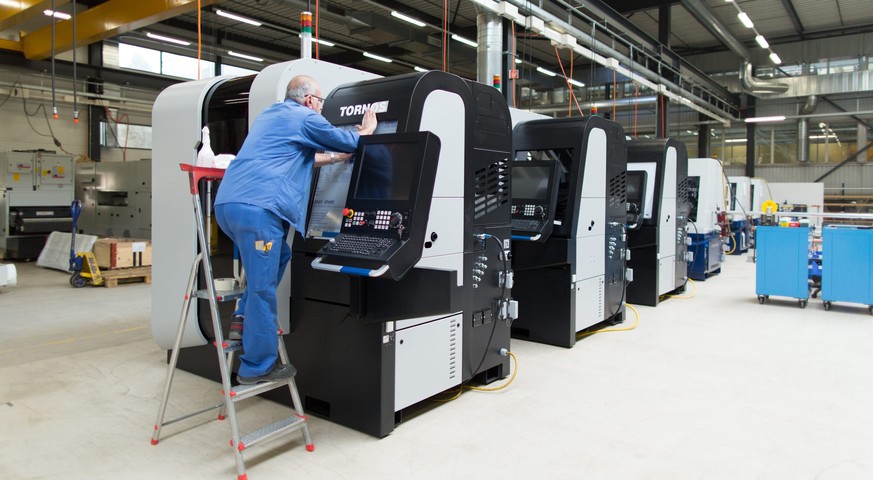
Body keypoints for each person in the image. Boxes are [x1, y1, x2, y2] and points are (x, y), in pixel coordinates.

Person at [215, 75, 378, 384]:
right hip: (259, 211)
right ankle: (257, 366)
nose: (320, 110)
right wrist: (366, 130)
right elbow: (348, 141)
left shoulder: (271, 116)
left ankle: (241, 319)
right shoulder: (303, 116)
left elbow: (296, 156)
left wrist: (333, 158)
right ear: (308, 101)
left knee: (281, 255)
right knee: (263, 288)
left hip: (230, 207)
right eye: (320, 103)